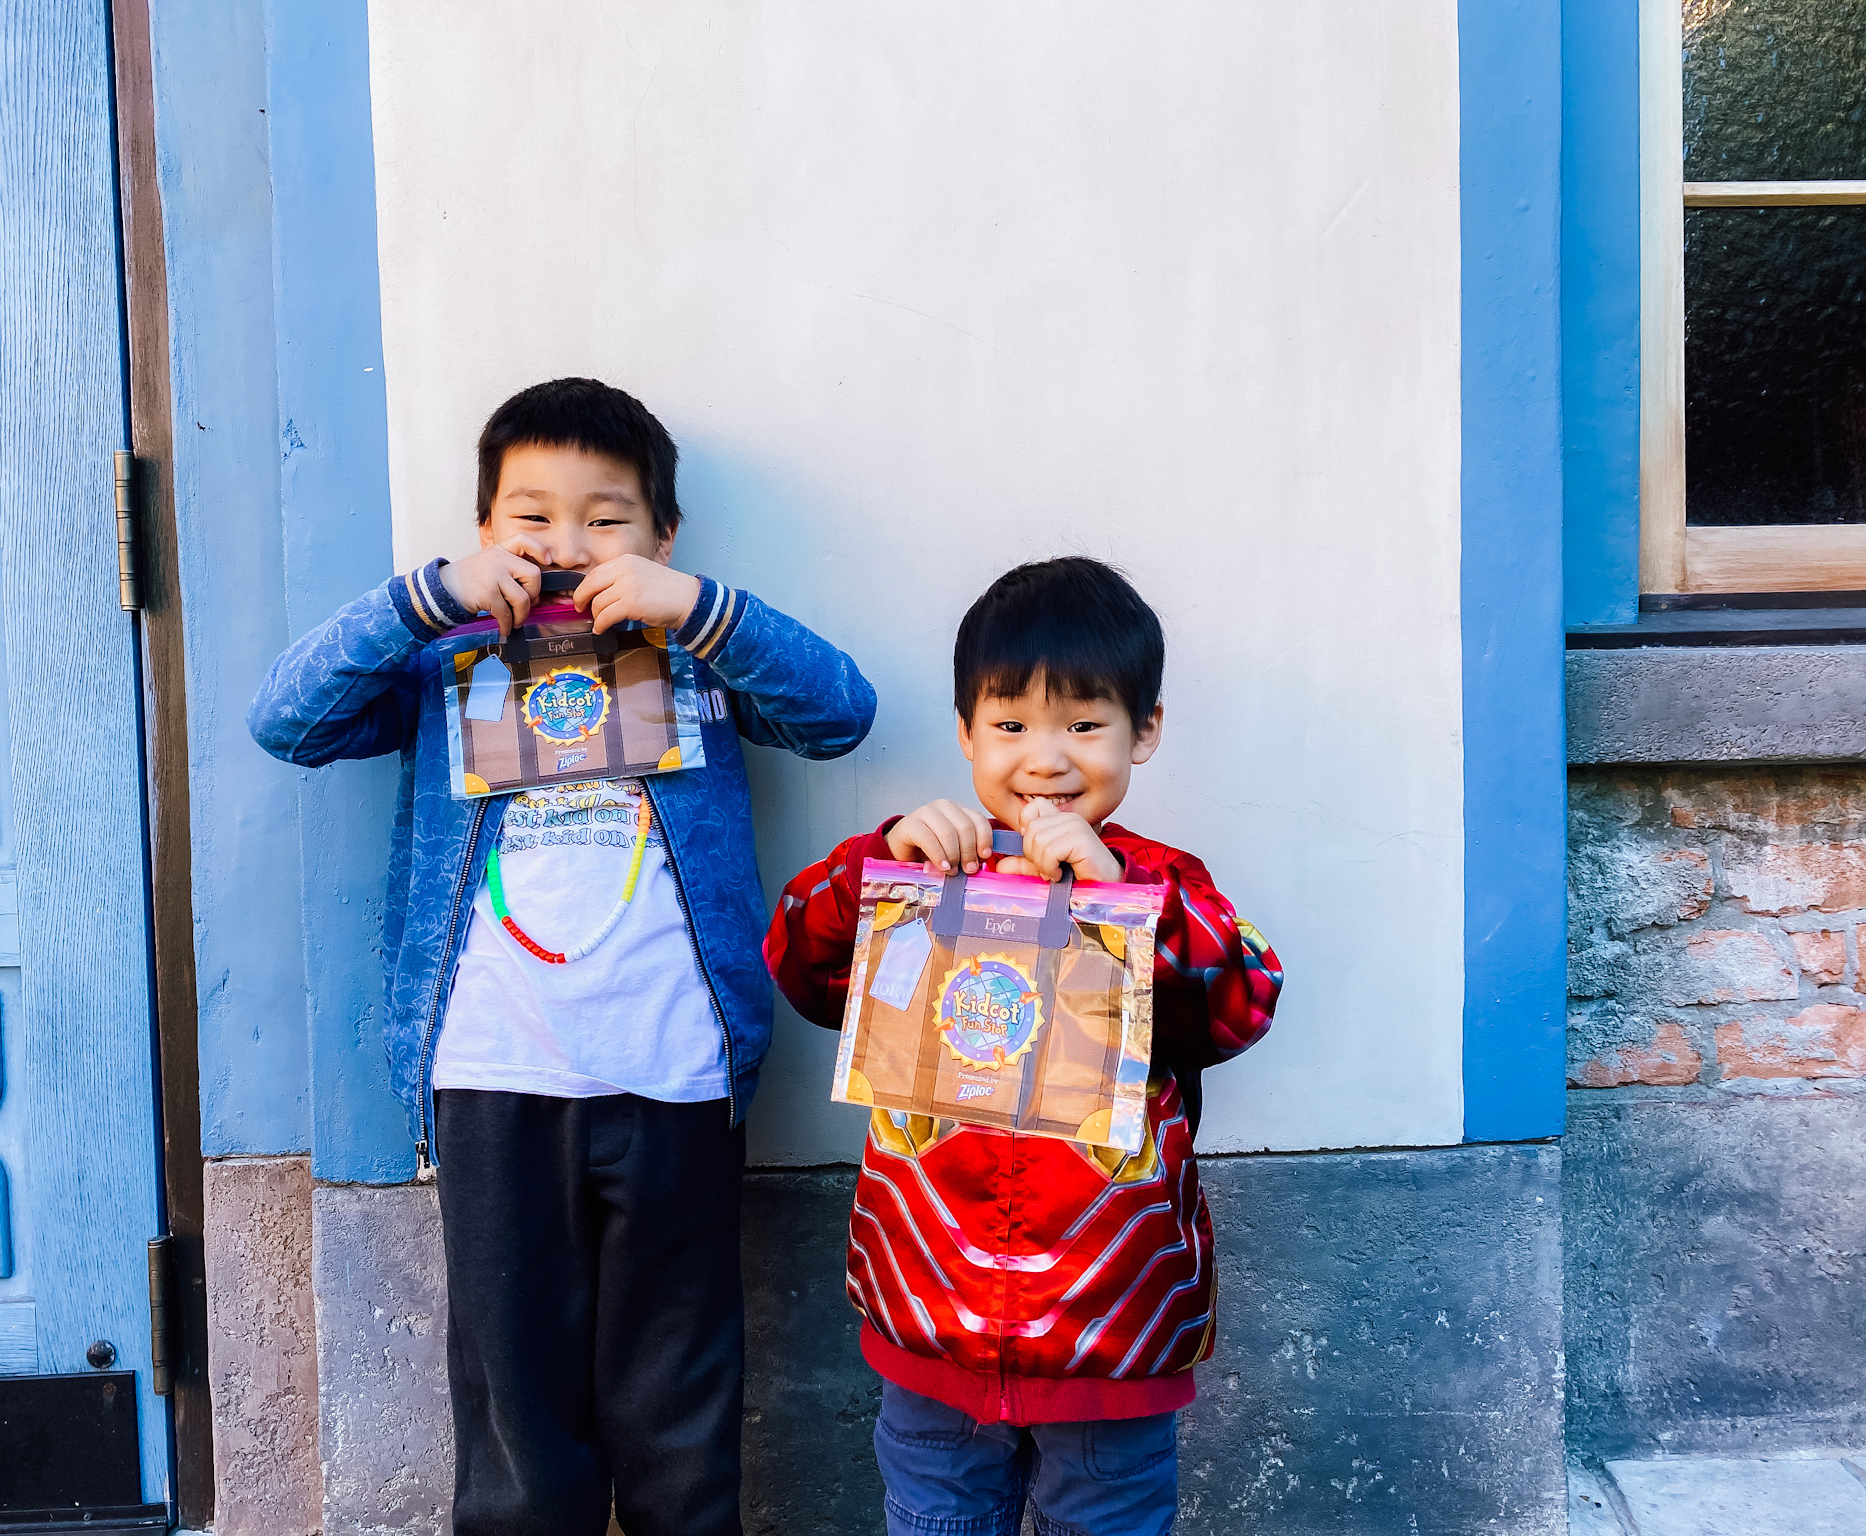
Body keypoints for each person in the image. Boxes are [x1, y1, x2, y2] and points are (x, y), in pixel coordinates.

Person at [249, 377, 876, 1536]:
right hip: (495, 1075)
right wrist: (426, 602)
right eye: (530, 517)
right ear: (486, 533)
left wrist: (693, 609)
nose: (566, 543)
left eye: (607, 518)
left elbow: (839, 712)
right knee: (515, 1421)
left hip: (675, 1073)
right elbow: (287, 721)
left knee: (677, 1405)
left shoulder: (693, 659)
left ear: (661, 538)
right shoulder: (447, 664)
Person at [765, 556, 1282, 1536]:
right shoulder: (919, 873)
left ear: (1146, 732)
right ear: (964, 734)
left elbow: (1240, 1000)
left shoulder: (1163, 883)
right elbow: (800, 968)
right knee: (931, 1520)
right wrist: (872, 868)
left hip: (1110, 1332)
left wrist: (1117, 900)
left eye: (1084, 725)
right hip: (930, 1322)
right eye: (1009, 726)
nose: (1044, 760)